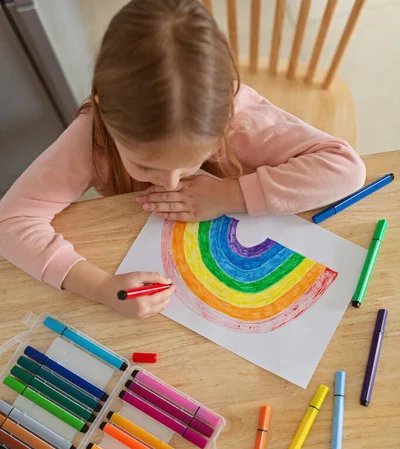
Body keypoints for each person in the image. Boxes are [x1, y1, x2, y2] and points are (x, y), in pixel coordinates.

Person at [0, 0, 365, 320]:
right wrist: (100, 287)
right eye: (147, 167)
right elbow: (11, 221)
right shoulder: (92, 136)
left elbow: (346, 168)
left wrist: (230, 195)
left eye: (194, 161)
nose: (172, 183)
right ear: (104, 110)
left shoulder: (240, 117)